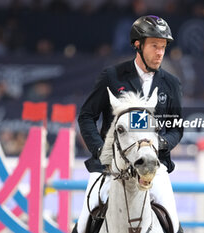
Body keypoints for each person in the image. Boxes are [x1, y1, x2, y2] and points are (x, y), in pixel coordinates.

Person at [76, 15, 184, 233]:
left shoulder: (171, 84)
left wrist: (158, 144)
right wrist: (100, 149)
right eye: (154, 46)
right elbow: (87, 116)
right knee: (84, 220)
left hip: (152, 165)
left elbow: (176, 128)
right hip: (112, 166)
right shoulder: (113, 76)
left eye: (163, 47)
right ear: (138, 45)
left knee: (172, 221)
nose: (160, 53)